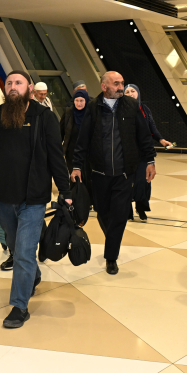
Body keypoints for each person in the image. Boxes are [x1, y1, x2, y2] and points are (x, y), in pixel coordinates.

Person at [0, 70, 72, 329]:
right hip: (5, 197)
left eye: (18, 82)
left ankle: (19, 306)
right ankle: (33, 275)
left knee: (25, 252)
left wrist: (66, 191)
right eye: (9, 83)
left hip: (33, 198)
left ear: (29, 88)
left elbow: (56, 156)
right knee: (16, 249)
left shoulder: (44, 117)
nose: (13, 86)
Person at [70, 72, 156, 275]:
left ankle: (111, 257)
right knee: (102, 211)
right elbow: (83, 139)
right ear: (104, 86)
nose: (120, 87)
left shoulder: (131, 106)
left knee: (119, 214)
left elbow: (144, 135)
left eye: (122, 83)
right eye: (116, 84)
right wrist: (76, 166)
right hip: (99, 172)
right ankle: (113, 239)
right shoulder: (93, 107)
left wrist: (150, 160)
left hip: (125, 174)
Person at [124, 84, 171, 221]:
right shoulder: (120, 110)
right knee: (126, 183)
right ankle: (127, 211)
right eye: (127, 92)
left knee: (143, 181)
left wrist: (161, 140)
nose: (130, 94)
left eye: (133, 91)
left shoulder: (144, 109)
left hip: (143, 152)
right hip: (126, 153)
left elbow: (152, 127)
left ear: (138, 93)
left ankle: (141, 208)